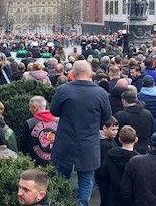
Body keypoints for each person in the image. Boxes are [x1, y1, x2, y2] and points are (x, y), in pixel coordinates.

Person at [50, 60, 111, 206]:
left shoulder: (63, 90)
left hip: (65, 141)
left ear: (72, 73)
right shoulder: (100, 93)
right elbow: (107, 117)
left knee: (61, 178)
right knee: (86, 180)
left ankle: (61, 203)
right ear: (90, 73)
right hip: (88, 143)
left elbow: (54, 111)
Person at [99, 126, 139, 206]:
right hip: (129, 196)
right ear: (136, 140)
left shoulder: (110, 153)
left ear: (119, 139)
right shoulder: (137, 159)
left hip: (113, 193)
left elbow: (103, 173)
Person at [22, 95, 58, 166]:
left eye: (30, 107)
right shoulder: (58, 121)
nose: (29, 109)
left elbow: (24, 146)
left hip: (35, 164)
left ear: (35, 107)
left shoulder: (29, 123)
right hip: (55, 163)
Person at [114, 90, 153, 154]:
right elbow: (151, 131)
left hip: (125, 148)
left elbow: (116, 133)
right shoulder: (147, 114)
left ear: (123, 100)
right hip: (143, 147)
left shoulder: (120, 115)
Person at [96, 116, 118, 206]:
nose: (116, 132)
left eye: (117, 129)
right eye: (113, 129)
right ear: (104, 128)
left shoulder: (103, 141)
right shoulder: (106, 144)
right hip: (106, 177)